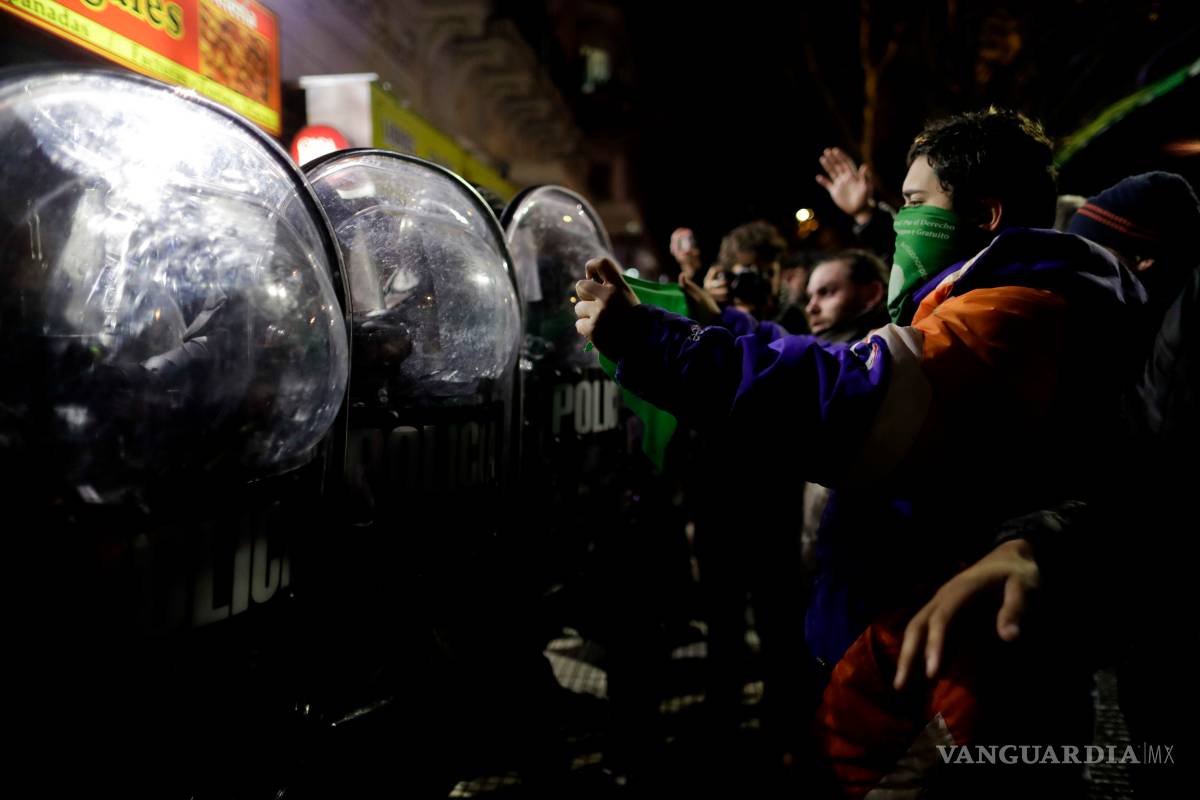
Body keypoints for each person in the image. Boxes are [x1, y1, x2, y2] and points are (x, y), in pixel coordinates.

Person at [575, 108, 1147, 795]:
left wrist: (649, 342)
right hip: (907, 668)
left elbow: (846, 399)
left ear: (985, 214)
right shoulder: (990, 298)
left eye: (912, 205)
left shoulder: (1013, 314)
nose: (899, 222)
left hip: (946, 690)